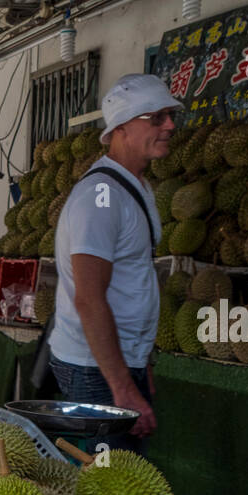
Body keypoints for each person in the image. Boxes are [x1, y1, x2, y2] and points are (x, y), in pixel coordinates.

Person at [49, 73, 182, 444]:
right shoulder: (101, 196)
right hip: (95, 370)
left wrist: (139, 361)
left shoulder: (136, 187)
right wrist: (122, 386)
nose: (169, 126)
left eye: (170, 116)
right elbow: (89, 298)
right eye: (156, 118)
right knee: (107, 485)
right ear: (122, 127)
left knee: (113, 478)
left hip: (116, 361)